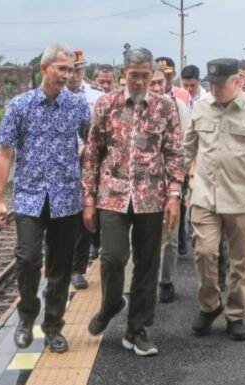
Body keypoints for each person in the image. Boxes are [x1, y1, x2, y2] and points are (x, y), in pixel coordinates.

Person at [83, 47, 184, 356]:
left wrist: (175, 195)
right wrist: (88, 198)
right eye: (134, 76)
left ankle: (137, 328)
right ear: (123, 74)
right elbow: (92, 153)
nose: (140, 82)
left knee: (147, 262)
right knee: (113, 257)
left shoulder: (165, 107)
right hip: (112, 194)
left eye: (145, 76)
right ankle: (112, 303)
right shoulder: (106, 104)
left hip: (151, 196)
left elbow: (174, 152)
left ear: (152, 75)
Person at [0, 42, 90, 353]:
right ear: (44, 68)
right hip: (29, 196)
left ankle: (53, 326)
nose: (67, 75)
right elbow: (5, 152)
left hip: (67, 198)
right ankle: (26, 316)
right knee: (28, 258)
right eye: (61, 69)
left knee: (60, 267)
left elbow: (92, 143)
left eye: (71, 70)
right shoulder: (20, 105)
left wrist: (88, 183)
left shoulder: (77, 106)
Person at [185, 58, 245, 341]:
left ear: (237, 82)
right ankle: (209, 305)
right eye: (211, 84)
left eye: (220, 84)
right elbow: (187, 148)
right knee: (204, 252)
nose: (214, 89)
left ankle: (236, 314)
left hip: (240, 197)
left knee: (240, 260)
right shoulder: (201, 107)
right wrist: (175, 187)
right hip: (205, 195)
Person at [149, 66, 191, 303]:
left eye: (160, 82)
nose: (157, 87)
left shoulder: (178, 107)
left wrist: (179, 176)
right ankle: (137, 280)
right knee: (140, 236)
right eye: (152, 83)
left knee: (170, 235)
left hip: (170, 180)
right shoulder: (135, 107)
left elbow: (187, 142)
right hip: (142, 183)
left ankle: (166, 281)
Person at [67, 50, 104, 290]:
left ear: (83, 71)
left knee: (82, 217)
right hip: (59, 168)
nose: (72, 75)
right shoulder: (53, 94)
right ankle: (58, 268)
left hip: (85, 164)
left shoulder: (96, 97)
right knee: (57, 221)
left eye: (77, 69)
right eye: (69, 70)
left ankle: (77, 269)